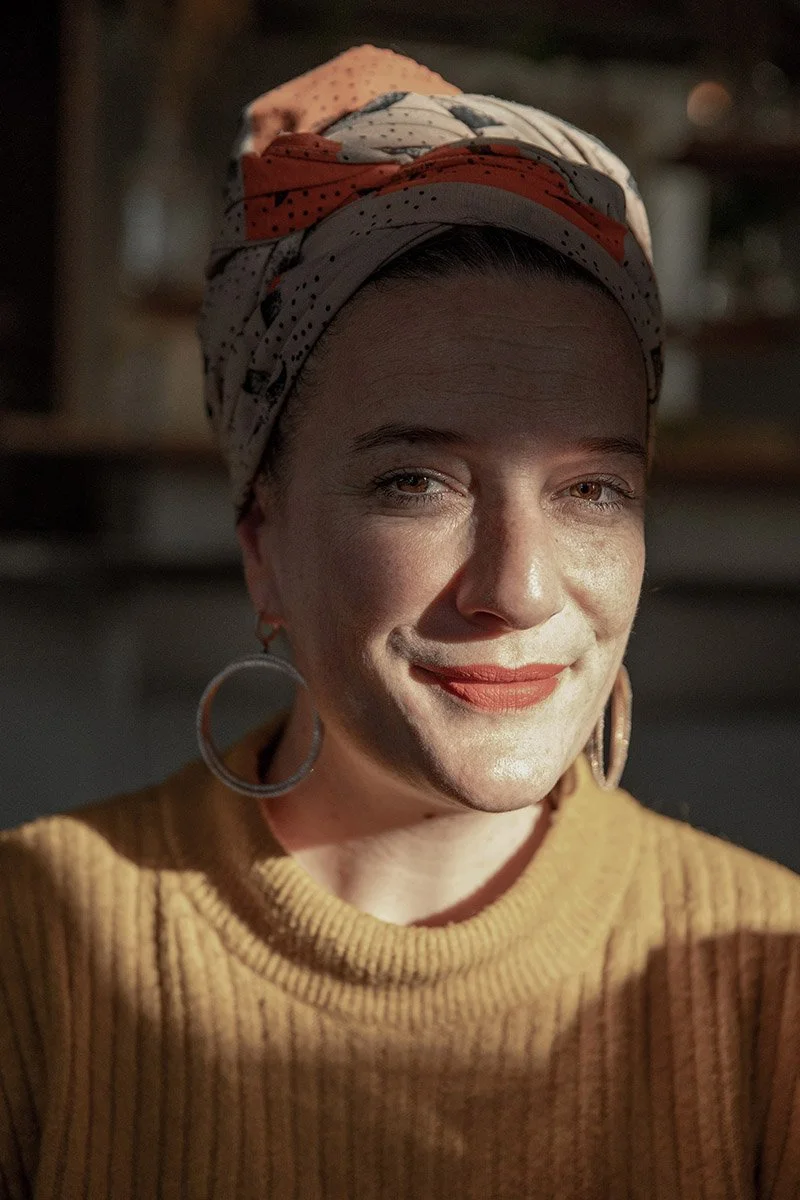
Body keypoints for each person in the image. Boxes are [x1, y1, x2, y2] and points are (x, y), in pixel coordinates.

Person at [1, 43, 798, 1199]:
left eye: (590, 489)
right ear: (262, 546)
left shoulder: (767, 982)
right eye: (414, 483)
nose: (518, 588)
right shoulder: (36, 947)